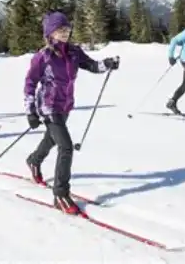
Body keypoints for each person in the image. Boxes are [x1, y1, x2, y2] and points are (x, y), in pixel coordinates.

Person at [24, 11, 120, 215]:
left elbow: (93, 66)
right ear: (50, 33)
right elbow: (30, 83)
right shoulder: (43, 57)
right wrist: (31, 111)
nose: (65, 33)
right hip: (49, 107)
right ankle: (60, 193)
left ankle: (34, 160)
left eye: (67, 30)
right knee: (66, 147)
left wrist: (107, 64)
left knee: (51, 139)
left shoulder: (74, 52)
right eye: (60, 30)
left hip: (65, 105)